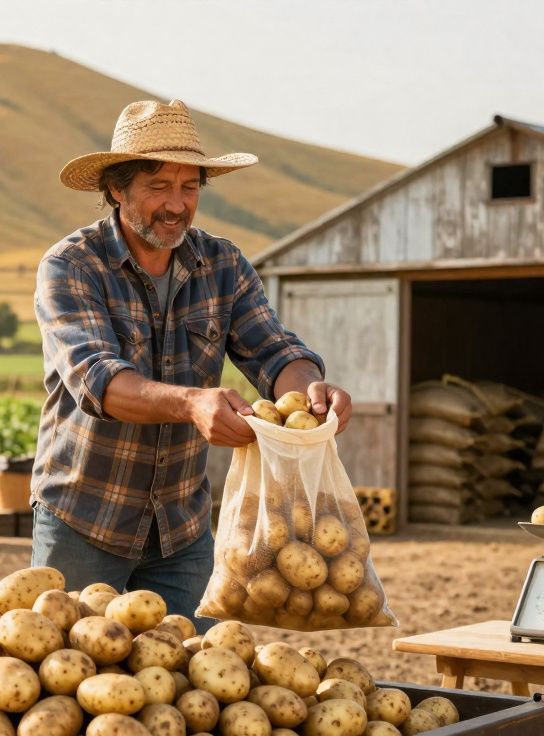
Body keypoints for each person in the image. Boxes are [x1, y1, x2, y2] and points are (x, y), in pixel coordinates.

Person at [33, 99, 352, 627]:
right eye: (159, 187)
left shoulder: (222, 263)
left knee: (192, 686)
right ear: (116, 187)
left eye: (190, 187)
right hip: (84, 520)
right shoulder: (72, 265)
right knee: (71, 684)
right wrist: (191, 403)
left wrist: (312, 389)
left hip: (181, 530)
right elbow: (98, 382)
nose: (177, 205)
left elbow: (274, 351)